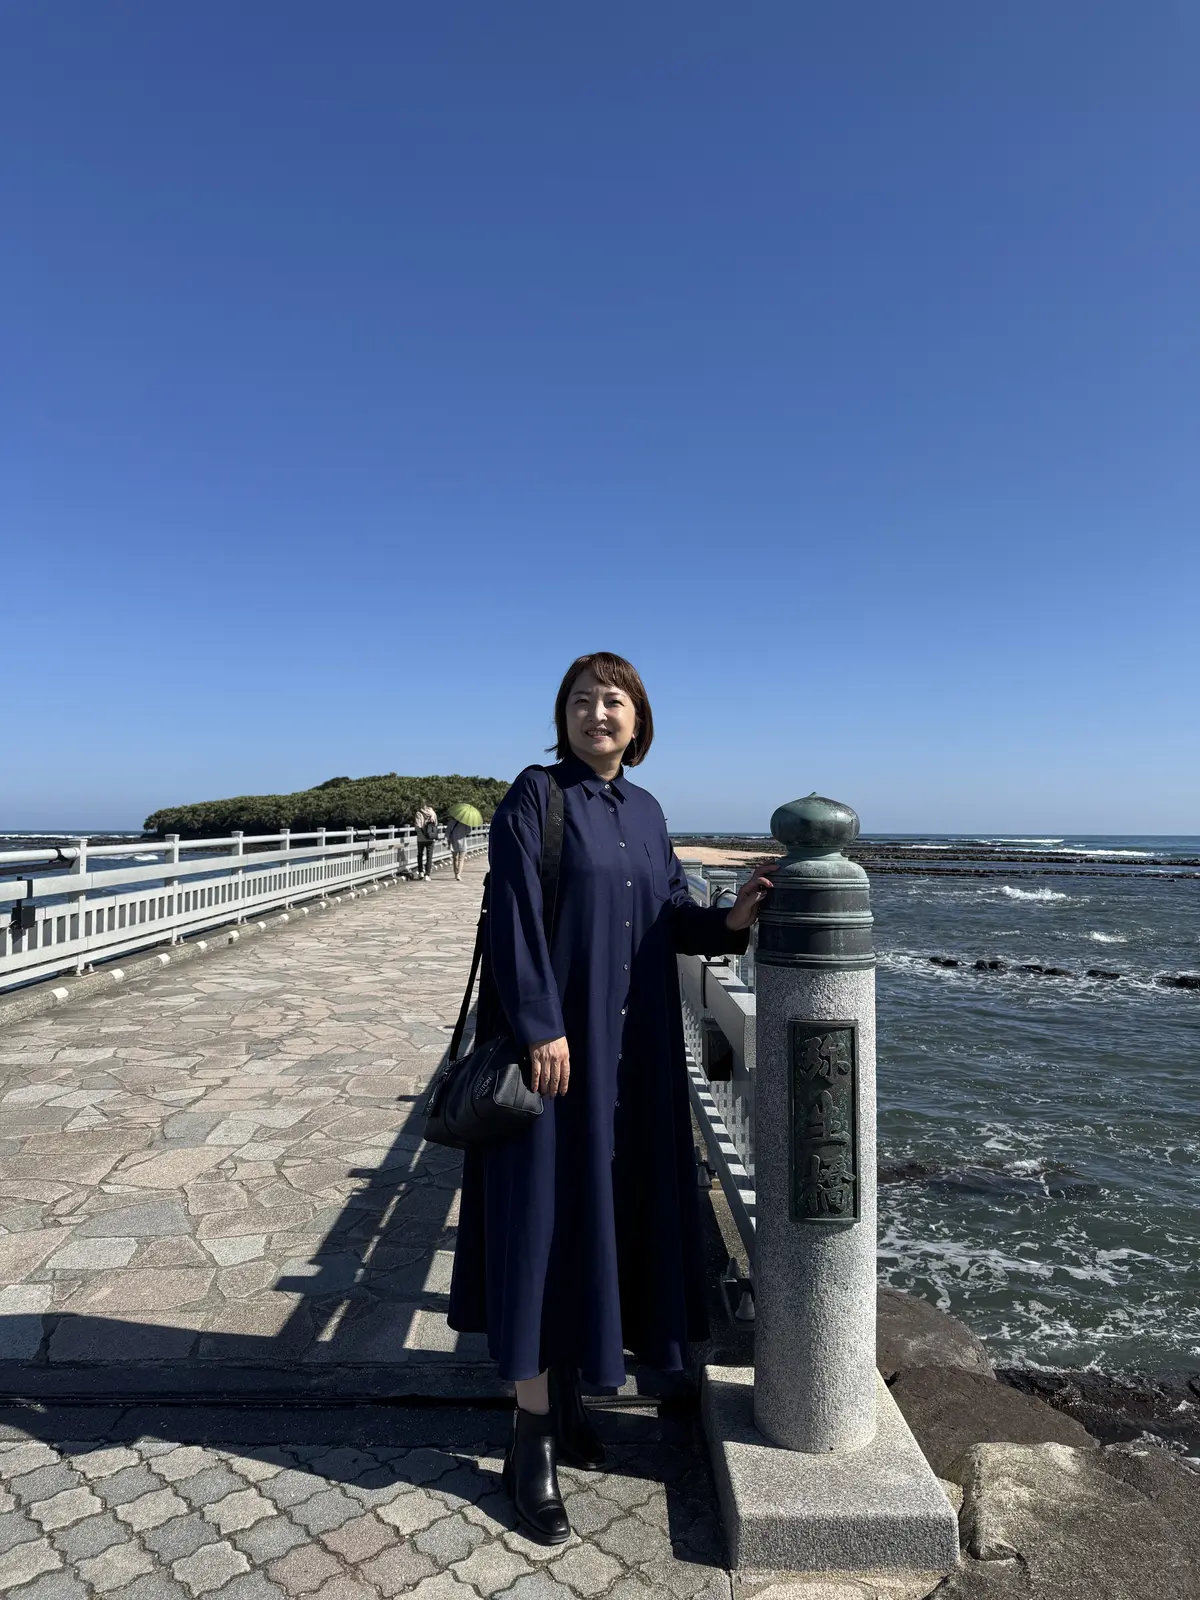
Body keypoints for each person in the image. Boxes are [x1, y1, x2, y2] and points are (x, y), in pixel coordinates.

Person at [448, 651, 771, 1545]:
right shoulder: (535, 795)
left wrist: (732, 920)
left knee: (601, 1224)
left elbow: (668, 917)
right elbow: (514, 916)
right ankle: (530, 1441)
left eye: (615, 701)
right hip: (557, 1056)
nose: (599, 713)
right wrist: (540, 1024)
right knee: (540, 1226)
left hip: (635, 1063)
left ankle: (572, 1405)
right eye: (584, 701)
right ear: (564, 718)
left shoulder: (648, 811)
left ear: (639, 720)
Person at [413, 802, 438, 880]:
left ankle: (420, 872)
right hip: (430, 838)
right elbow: (435, 824)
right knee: (429, 856)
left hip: (421, 838)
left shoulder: (418, 813)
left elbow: (417, 826)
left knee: (420, 854)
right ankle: (427, 874)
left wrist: (420, 831)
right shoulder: (433, 813)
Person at [445, 814, 471, 880]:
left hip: (454, 842)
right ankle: (458, 874)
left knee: (455, 858)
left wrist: (445, 840)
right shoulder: (465, 822)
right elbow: (468, 832)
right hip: (463, 843)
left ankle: (456, 873)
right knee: (461, 859)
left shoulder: (451, 822)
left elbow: (447, 832)